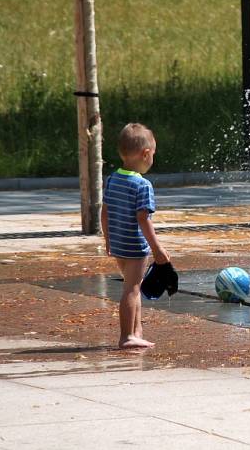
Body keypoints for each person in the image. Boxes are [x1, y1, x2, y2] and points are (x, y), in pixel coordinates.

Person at [101, 123, 170, 348]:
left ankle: (136, 331)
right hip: (135, 247)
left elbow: (105, 212)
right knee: (131, 289)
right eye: (153, 155)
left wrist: (108, 239)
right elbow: (143, 219)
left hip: (119, 244)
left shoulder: (112, 179)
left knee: (135, 286)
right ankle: (126, 336)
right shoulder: (142, 185)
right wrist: (158, 249)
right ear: (146, 153)